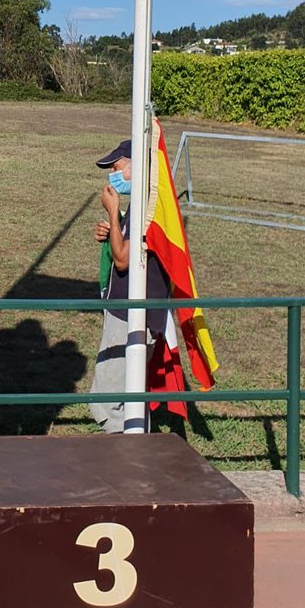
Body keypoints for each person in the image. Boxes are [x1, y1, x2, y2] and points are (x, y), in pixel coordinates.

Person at [89, 138, 170, 433]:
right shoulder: (145, 204)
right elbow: (128, 250)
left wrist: (112, 211)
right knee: (130, 397)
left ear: (137, 166)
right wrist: (114, 229)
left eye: (116, 166)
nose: (111, 172)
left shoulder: (144, 209)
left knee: (109, 402)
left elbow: (123, 261)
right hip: (133, 314)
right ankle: (137, 455)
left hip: (131, 316)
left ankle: (124, 464)